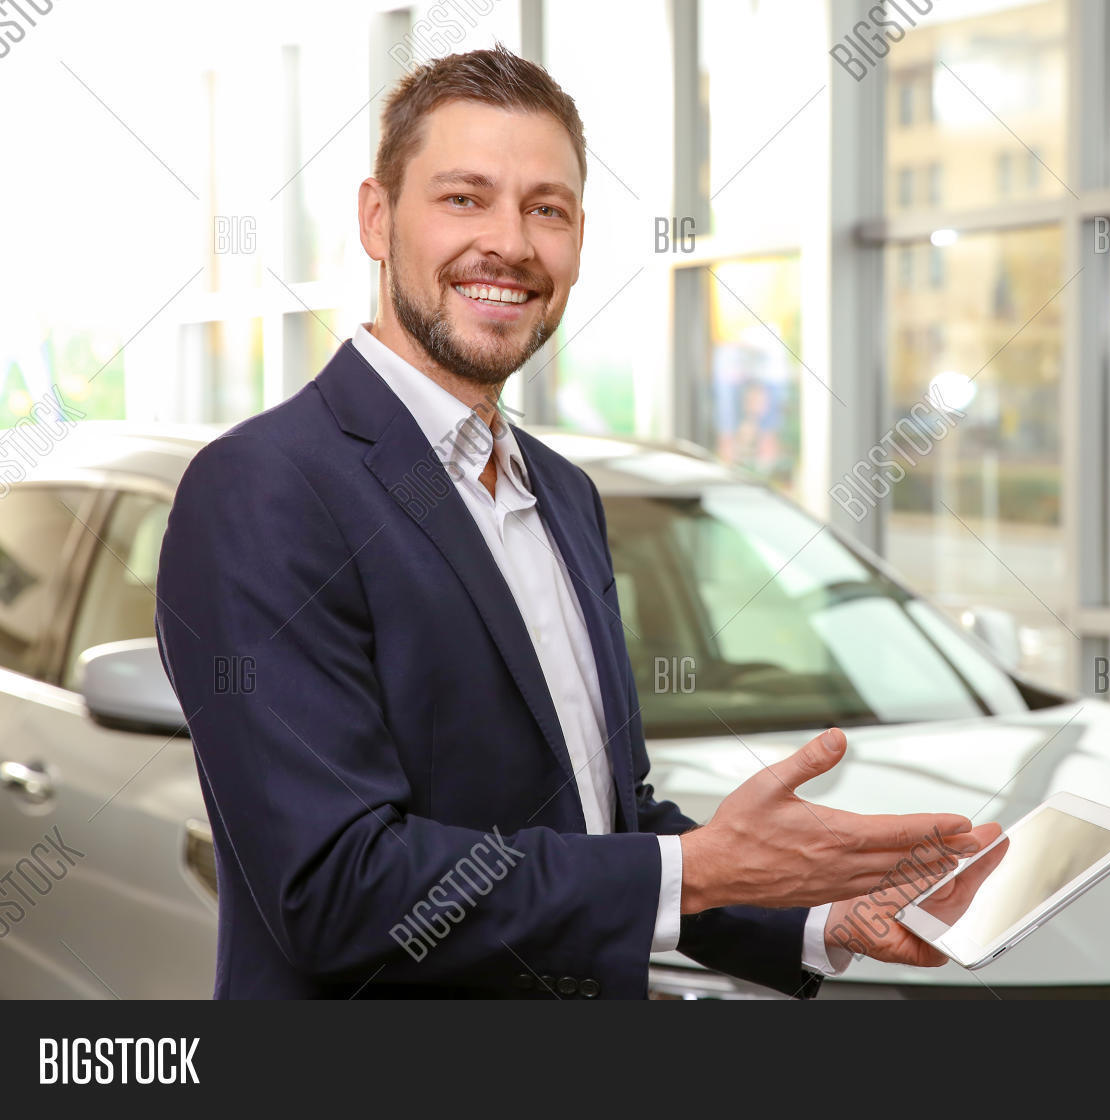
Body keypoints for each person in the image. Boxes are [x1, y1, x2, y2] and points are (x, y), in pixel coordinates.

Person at [155, 44, 996, 1000]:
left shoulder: (561, 493)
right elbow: (337, 890)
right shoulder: (263, 489)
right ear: (377, 219)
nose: (510, 244)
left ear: (580, 240)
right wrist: (705, 869)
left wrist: (817, 917)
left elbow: (606, 819)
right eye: (465, 198)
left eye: (545, 209)